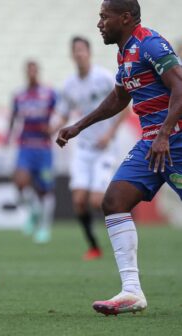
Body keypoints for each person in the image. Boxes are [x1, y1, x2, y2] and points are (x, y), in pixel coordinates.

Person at [57, 0, 182, 315]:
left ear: (125, 18)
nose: (99, 23)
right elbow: (118, 98)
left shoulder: (150, 44)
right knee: (113, 201)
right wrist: (77, 126)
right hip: (152, 144)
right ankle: (131, 291)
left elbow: (180, 87)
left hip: (175, 139)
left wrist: (165, 134)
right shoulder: (125, 53)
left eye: (104, 17)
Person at [53, 36, 130, 260]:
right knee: (78, 201)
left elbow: (125, 106)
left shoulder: (104, 78)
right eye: (75, 50)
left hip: (105, 147)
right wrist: (53, 127)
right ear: (72, 55)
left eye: (82, 50)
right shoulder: (69, 84)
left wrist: (109, 133)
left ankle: (121, 237)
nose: (79, 54)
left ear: (89, 52)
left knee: (98, 201)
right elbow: (63, 113)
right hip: (83, 148)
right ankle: (94, 246)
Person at [7, 60, 57, 244]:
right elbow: (13, 117)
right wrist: (8, 137)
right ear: (25, 73)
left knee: (45, 190)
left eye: (35, 70)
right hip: (26, 146)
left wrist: (54, 128)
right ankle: (35, 212)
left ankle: (44, 228)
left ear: (38, 72)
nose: (32, 74)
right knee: (20, 185)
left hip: (43, 148)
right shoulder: (19, 95)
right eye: (29, 71)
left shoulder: (49, 94)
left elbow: (61, 113)